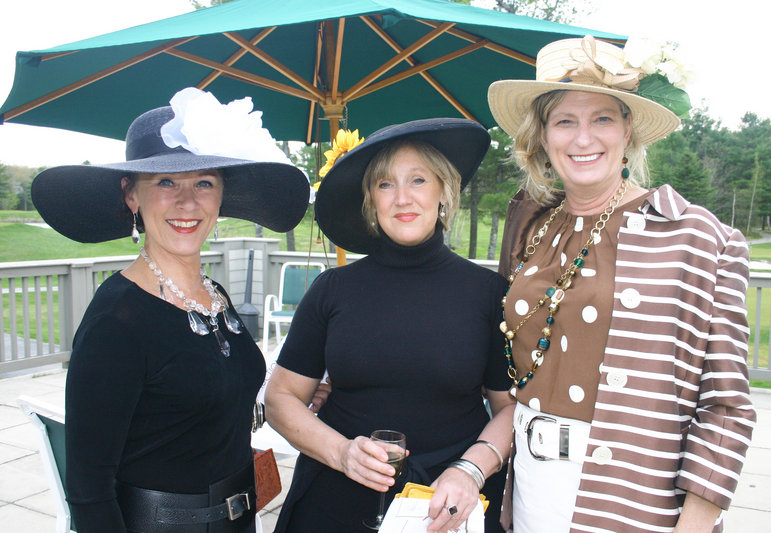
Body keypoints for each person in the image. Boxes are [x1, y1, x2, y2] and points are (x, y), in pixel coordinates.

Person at [486, 36, 756, 532]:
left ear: (628, 130)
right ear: (543, 137)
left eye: (602, 119)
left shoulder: (696, 235)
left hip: (635, 502)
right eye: (565, 121)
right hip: (527, 489)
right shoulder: (532, 228)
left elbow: (726, 407)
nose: (583, 139)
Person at [31, 87, 310, 533]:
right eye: (165, 182)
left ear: (221, 196)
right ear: (131, 196)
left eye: (204, 182)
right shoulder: (116, 321)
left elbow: (196, 398)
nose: (187, 202)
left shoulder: (214, 295)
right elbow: (88, 489)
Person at [264, 118, 515, 533]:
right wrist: (343, 452)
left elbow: (509, 408)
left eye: (418, 180)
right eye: (385, 184)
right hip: (336, 502)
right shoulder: (332, 289)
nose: (402, 198)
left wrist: (470, 470)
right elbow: (281, 398)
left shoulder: (488, 293)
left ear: (443, 192)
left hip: (448, 504)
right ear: (370, 200)